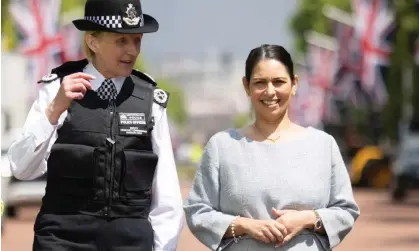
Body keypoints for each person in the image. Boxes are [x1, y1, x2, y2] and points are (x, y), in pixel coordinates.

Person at [8, 0, 184, 250]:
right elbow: (21, 168)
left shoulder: (151, 102)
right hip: (62, 242)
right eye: (121, 41)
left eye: (137, 40)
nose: (132, 51)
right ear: (93, 41)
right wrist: (54, 110)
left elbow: (167, 199)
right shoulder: (57, 89)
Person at [183, 44, 360, 251]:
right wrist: (245, 226)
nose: (270, 91)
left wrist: (308, 218)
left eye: (278, 82)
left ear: (294, 84)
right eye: (260, 82)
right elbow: (197, 211)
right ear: (246, 86)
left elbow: (346, 210)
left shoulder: (323, 145)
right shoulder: (222, 146)